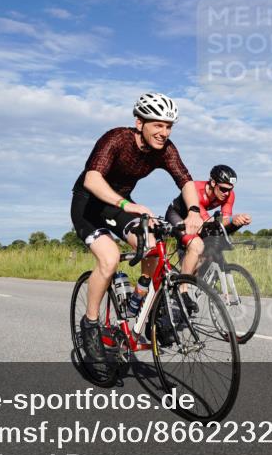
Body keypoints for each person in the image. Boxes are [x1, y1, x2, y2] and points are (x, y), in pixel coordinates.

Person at [71, 93, 203, 374]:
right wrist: (126, 204)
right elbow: (92, 178)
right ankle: (90, 325)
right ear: (139, 122)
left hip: (120, 204)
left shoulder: (165, 149)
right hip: (89, 204)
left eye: (169, 127)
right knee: (110, 258)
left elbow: (186, 180)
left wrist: (193, 210)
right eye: (158, 125)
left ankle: (139, 298)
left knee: (153, 246)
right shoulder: (117, 139)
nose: (164, 132)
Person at [165, 165, 252, 296]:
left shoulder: (229, 195)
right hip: (177, 215)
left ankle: (191, 273)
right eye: (223, 189)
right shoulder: (196, 191)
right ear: (212, 183)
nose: (226, 193)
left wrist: (237, 221)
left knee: (210, 247)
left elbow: (224, 220)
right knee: (196, 245)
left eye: (230, 189)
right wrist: (232, 220)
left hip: (199, 218)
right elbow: (208, 221)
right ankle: (182, 290)